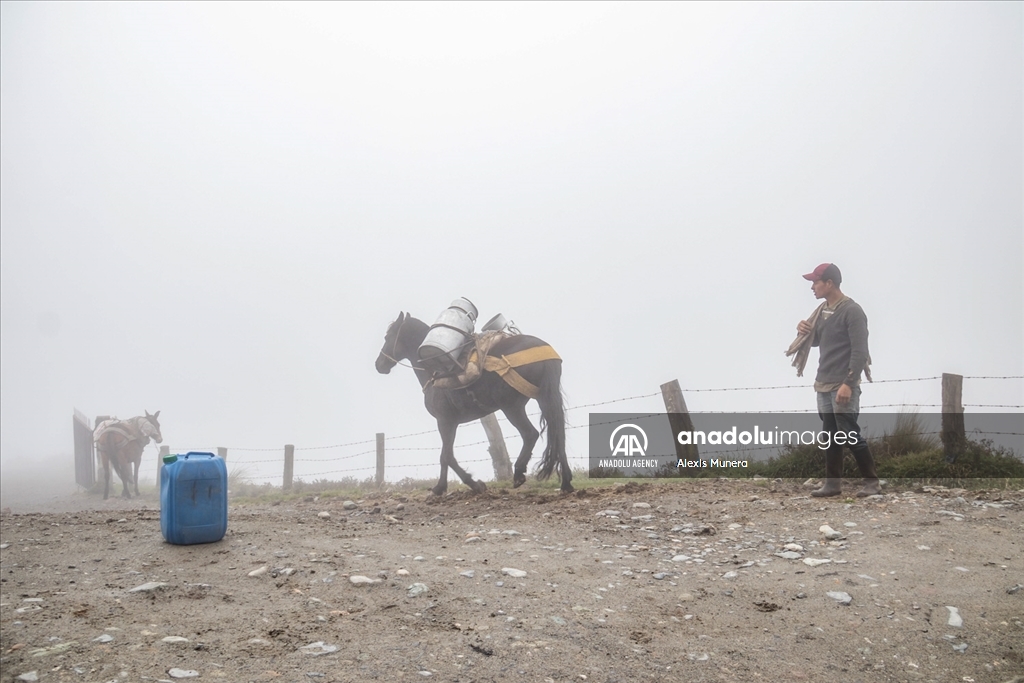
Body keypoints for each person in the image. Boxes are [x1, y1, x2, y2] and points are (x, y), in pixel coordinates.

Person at [794, 263, 880, 498]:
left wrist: (848, 384)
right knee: (830, 435)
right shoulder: (823, 312)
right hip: (823, 383)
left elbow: (860, 351)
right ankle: (832, 484)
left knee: (848, 432)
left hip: (842, 385)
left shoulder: (852, 311)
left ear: (829, 283)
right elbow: (818, 341)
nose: (812, 287)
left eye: (816, 282)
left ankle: (872, 482)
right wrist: (804, 330)